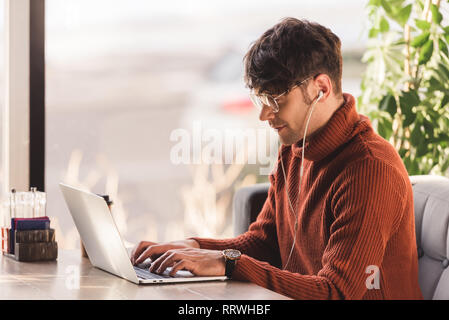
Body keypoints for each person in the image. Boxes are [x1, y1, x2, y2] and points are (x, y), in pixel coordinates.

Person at [131, 17, 423, 300]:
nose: (264, 115)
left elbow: (337, 292)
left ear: (321, 88)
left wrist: (229, 262)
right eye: (261, 99)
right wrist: (192, 247)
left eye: (275, 100)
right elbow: (265, 242)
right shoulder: (296, 147)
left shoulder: (369, 168)